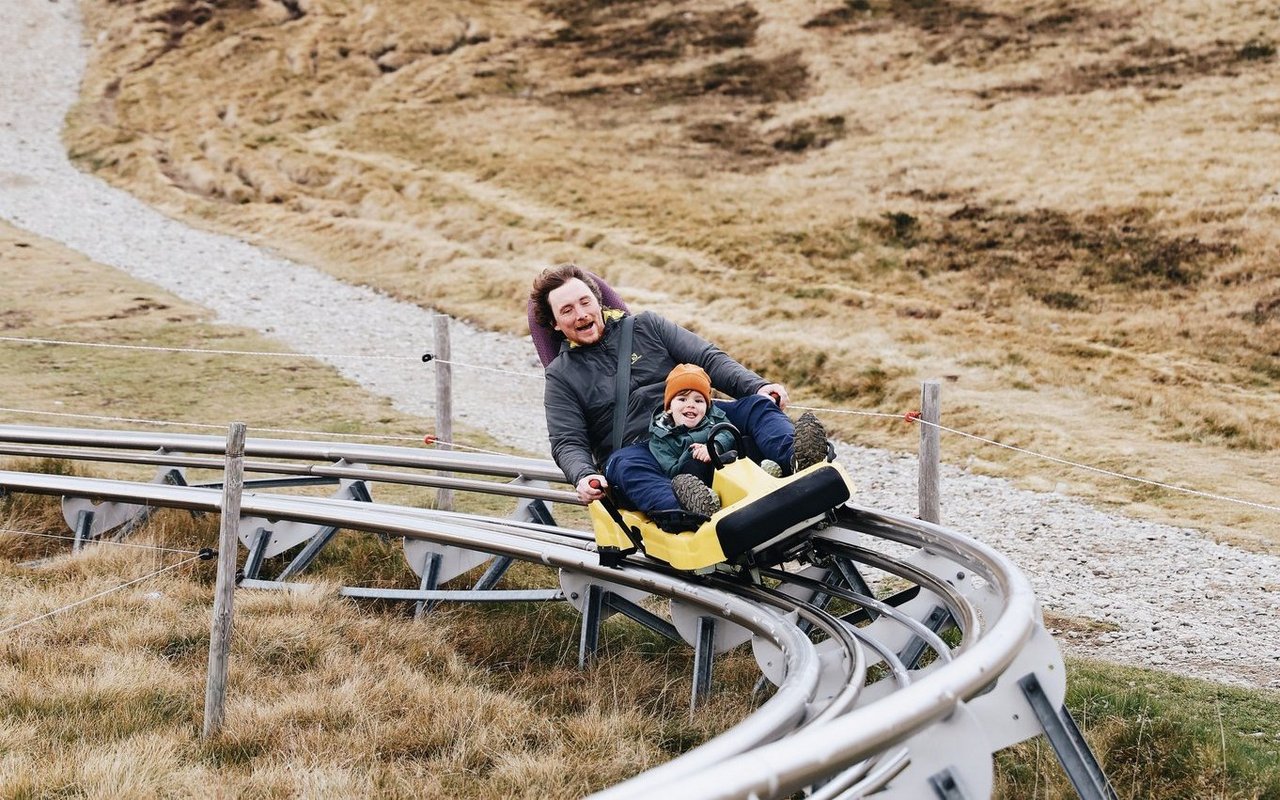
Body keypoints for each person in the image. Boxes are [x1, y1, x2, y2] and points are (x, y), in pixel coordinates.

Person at [529, 263, 829, 532]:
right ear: (555, 324)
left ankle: (797, 457)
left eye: (585, 302)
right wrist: (583, 475)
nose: (581, 314)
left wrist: (756, 386)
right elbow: (568, 440)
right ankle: (692, 506)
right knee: (621, 465)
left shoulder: (647, 326)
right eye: (567, 310)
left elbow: (708, 358)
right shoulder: (561, 375)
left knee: (757, 407)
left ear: (598, 302)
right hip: (641, 448)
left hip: (698, 418)